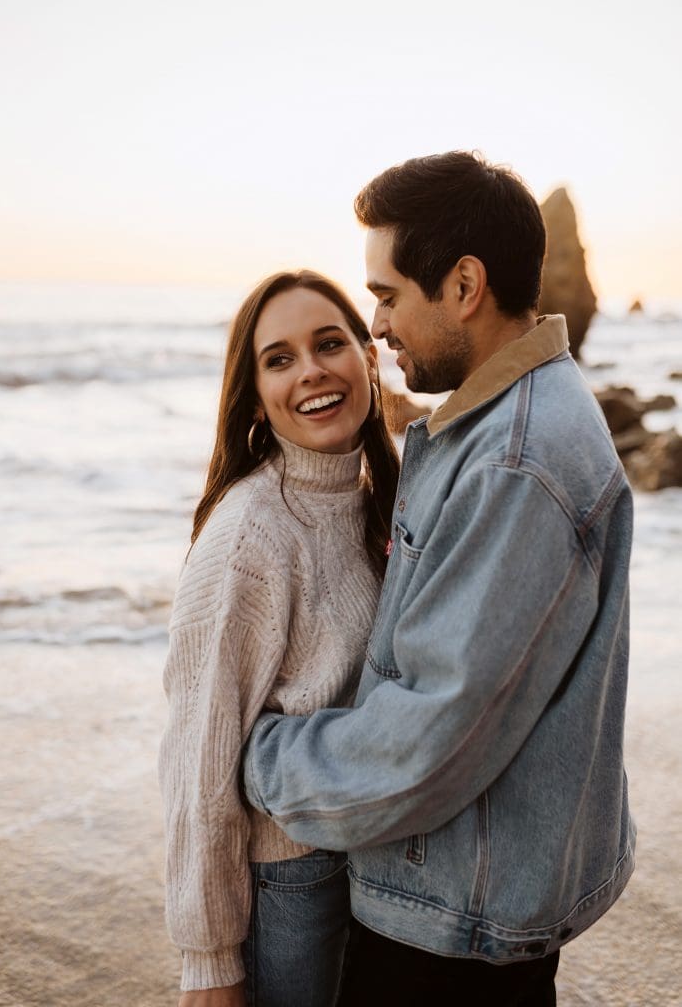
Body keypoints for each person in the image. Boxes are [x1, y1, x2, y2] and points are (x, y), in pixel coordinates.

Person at [243, 152, 636, 1005]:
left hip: (449, 931)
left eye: (386, 295)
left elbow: (426, 745)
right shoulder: (506, 423)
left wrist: (258, 756)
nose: (376, 324)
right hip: (474, 901)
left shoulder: (515, 464)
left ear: (462, 286)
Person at [158, 269, 400, 1006]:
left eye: (329, 344)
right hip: (291, 879)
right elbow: (199, 753)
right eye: (280, 359)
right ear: (256, 397)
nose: (312, 371)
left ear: (368, 358)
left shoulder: (377, 497)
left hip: (367, 851)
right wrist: (209, 962)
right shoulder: (249, 535)